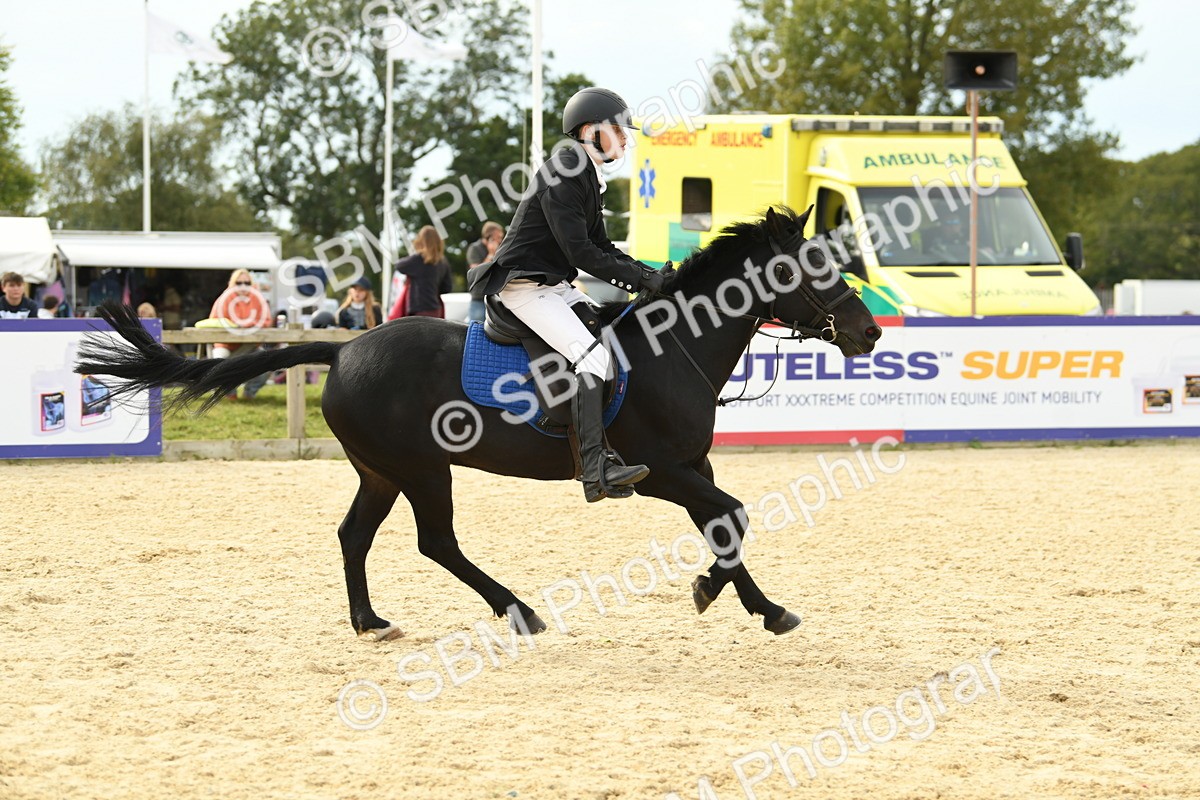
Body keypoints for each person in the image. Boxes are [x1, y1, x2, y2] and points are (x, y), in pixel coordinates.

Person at [468, 87, 665, 503]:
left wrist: (650, 273)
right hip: (522, 286)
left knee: (608, 337)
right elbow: (581, 252)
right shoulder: (565, 169)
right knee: (593, 356)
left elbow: (604, 248)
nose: (626, 139)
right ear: (592, 132)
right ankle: (595, 470)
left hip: (553, 284)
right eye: (618, 131)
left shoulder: (585, 173)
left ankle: (606, 449)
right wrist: (642, 281)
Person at [208, 269, 272, 400]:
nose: (243, 286)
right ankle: (229, 394)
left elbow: (267, 320)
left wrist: (246, 324)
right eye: (239, 282)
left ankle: (249, 393)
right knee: (219, 362)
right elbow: (213, 321)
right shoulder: (225, 298)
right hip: (225, 345)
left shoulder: (257, 297)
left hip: (250, 345)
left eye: (247, 283)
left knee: (268, 363)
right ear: (232, 283)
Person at [390, 226, 453, 319]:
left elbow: (399, 265)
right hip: (436, 309)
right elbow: (447, 288)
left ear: (421, 241)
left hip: (419, 309)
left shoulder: (418, 259)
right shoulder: (443, 261)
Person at [466, 221, 504, 322]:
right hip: (479, 297)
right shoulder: (474, 248)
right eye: (498, 237)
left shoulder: (499, 249)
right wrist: (491, 254)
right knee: (476, 329)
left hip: (495, 296)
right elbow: (476, 272)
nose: (501, 240)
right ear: (489, 236)